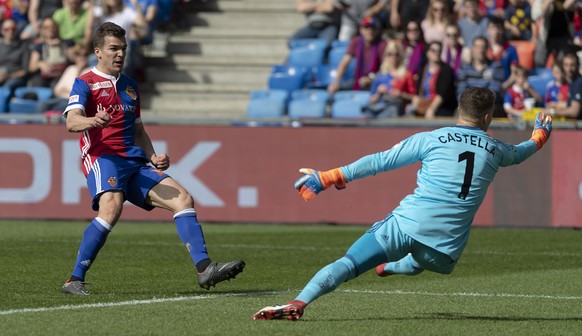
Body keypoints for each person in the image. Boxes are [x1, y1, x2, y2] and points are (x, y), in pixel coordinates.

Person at [252, 87, 552, 321]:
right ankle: (395, 267)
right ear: (487, 118)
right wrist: (539, 136)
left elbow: (380, 161)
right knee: (420, 263)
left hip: (405, 225)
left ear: (458, 111)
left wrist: (332, 176)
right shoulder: (497, 150)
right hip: (444, 249)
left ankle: (298, 302)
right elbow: (521, 152)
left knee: (348, 263)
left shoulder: (432, 138)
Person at [60, 22, 245, 295]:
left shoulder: (131, 86)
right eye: (113, 48)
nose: (120, 54)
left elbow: (138, 130)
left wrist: (153, 156)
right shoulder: (84, 82)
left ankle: (205, 269)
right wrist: (92, 120)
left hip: (134, 161)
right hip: (103, 157)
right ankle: (74, 279)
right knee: (112, 206)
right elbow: (71, 122)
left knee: (183, 199)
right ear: (98, 51)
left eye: (123, 48)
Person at [327, 16, 386, 93]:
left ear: (377, 30)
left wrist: (371, 79)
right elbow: (344, 63)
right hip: (358, 79)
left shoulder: (382, 45)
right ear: (361, 30)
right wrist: (336, 81)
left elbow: (386, 68)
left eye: (372, 28)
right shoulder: (356, 42)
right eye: (366, 27)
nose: (369, 30)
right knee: (336, 89)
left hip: (377, 80)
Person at [403, 41, 457, 118]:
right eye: (433, 50)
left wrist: (432, 109)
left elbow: (442, 94)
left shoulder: (446, 70)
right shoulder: (423, 69)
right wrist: (416, 99)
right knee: (409, 111)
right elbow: (418, 92)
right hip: (424, 103)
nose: (437, 53)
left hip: (440, 106)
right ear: (427, 53)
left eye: (439, 50)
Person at [456, 36, 505, 117]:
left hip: (489, 109)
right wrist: (471, 107)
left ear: (487, 49)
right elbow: (461, 92)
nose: (480, 50)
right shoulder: (463, 69)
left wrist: (480, 107)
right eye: (477, 47)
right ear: (472, 48)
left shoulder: (496, 67)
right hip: (468, 109)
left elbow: (494, 91)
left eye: (483, 47)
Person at [361, 40, 408, 117]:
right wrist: (379, 93)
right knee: (366, 110)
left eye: (397, 54)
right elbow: (372, 100)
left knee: (392, 110)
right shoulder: (380, 75)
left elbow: (412, 97)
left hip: (394, 106)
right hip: (379, 106)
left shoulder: (405, 75)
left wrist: (400, 95)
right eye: (390, 54)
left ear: (401, 56)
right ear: (386, 56)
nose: (394, 57)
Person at [28, 17, 73, 88]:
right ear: (42, 30)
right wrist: (40, 64)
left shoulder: (66, 43)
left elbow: (73, 58)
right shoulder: (40, 46)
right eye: (46, 27)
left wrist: (62, 45)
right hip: (45, 75)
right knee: (37, 84)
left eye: (53, 26)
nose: (50, 29)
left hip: (61, 74)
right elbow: (31, 67)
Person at [0, 18, 30, 98]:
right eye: (7, 29)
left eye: (13, 29)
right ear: (2, 30)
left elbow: (24, 71)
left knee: (6, 89)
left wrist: (8, 76)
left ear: (16, 30)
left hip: (15, 78)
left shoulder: (23, 46)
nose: (10, 32)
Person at [550, 52, 582, 119]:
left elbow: (574, 112)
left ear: (578, 66)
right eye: (566, 65)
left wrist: (552, 112)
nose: (569, 69)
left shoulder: (579, 83)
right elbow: (570, 103)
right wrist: (555, 105)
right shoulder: (572, 82)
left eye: (572, 65)